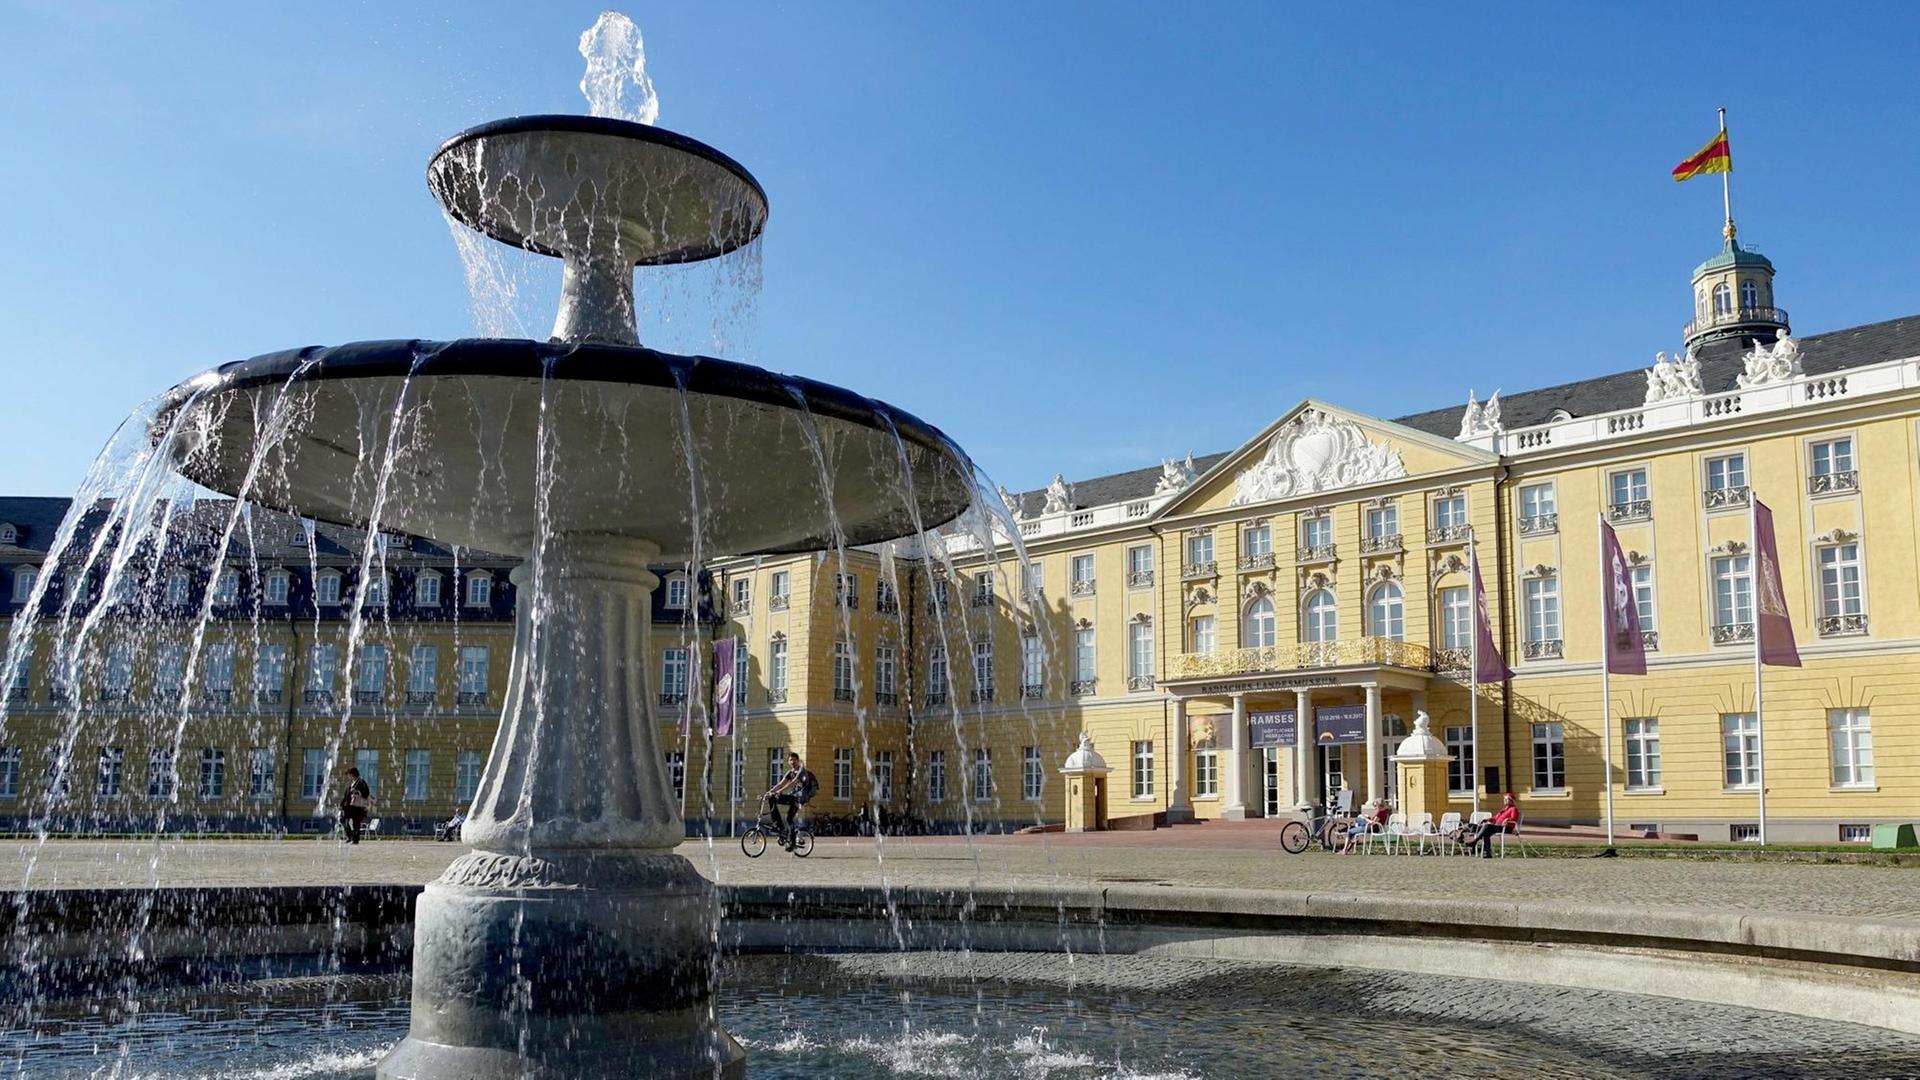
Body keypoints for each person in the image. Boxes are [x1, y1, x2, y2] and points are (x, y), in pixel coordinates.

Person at [763, 752, 816, 850]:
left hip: (800, 799)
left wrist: (779, 791)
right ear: (788, 762)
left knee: (788, 818)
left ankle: (792, 843)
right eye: (790, 760)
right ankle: (778, 825)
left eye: (794, 759)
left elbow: (792, 783)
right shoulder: (790, 772)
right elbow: (780, 784)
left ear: (798, 760)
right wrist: (769, 792)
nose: (792, 762)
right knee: (772, 798)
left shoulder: (801, 771)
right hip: (793, 797)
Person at [1461, 792, 1520, 858]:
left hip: (1506, 827)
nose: (1505, 800)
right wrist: (1487, 820)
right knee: (1478, 828)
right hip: (1496, 826)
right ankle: (1487, 853)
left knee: (1487, 827)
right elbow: (1495, 818)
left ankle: (1474, 842)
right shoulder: (1504, 810)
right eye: (1504, 799)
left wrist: (1508, 819)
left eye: (1507, 799)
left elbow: (1514, 818)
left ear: (1511, 801)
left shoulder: (1513, 809)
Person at [340, 766, 372, 845]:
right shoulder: (352, 784)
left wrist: (358, 792)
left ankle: (355, 839)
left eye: (349, 774)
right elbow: (346, 796)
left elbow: (366, 793)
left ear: (352, 774)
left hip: (358, 806)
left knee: (356, 823)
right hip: (351, 806)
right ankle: (351, 836)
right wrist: (341, 804)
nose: (348, 776)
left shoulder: (361, 782)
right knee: (343, 819)